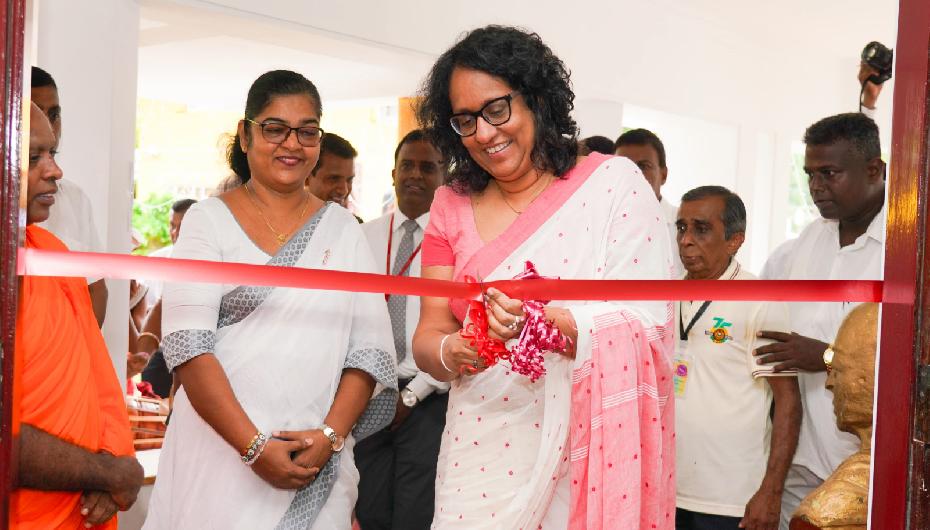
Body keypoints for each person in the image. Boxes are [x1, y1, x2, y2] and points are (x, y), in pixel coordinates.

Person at [413, 25, 675, 529]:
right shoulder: (450, 204)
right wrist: (455, 350)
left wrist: (545, 322)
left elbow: (648, 323)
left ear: (536, 98)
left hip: (586, 450)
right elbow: (429, 333)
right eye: (465, 120)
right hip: (480, 451)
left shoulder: (613, 185)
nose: (484, 134)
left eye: (497, 109)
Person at [143, 70, 396, 529]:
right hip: (219, 458)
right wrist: (253, 447)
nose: (292, 144)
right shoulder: (207, 221)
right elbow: (188, 348)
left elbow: (369, 352)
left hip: (314, 458)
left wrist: (329, 436)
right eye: (275, 129)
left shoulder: (344, 231)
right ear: (245, 135)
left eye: (307, 132)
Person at [12, 103, 142, 529]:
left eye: (53, 154)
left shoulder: (51, 252)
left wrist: (114, 460)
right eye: (34, 157)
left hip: (82, 508)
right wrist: (103, 472)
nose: (55, 171)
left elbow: (97, 375)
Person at [754, 113, 885, 530]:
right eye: (810, 173)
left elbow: (909, 361)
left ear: (874, 170)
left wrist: (828, 357)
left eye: (829, 173)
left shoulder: (904, 250)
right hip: (802, 458)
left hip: (869, 468)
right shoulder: (810, 240)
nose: (815, 186)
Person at [673, 186, 801, 530]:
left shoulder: (758, 299)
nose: (686, 240)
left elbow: (788, 400)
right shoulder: (665, 293)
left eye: (701, 229)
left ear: (734, 240)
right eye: (682, 227)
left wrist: (771, 491)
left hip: (732, 500)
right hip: (669, 488)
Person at [355, 129, 449, 529]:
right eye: (407, 165)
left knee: (414, 515)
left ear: (444, 176)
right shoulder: (364, 237)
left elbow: (457, 327)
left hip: (429, 397)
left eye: (428, 168)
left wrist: (413, 395)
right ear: (393, 173)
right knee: (369, 508)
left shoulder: (453, 243)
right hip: (366, 391)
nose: (415, 175)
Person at [32, 65, 108, 326]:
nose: (49, 127)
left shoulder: (75, 198)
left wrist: (81, 344)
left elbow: (96, 289)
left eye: (54, 115)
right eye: (37, 112)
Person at [615, 128, 682, 276]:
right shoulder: (602, 224)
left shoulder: (684, 227)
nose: (633, 174)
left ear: (663, 175)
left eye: (643, 166)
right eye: (624, 167)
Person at [306, 131, 357, 210]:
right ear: (306, 177)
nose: (344, 191)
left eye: (349, 180)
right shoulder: (286, 216)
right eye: (334, 178)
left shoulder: (351, 218)